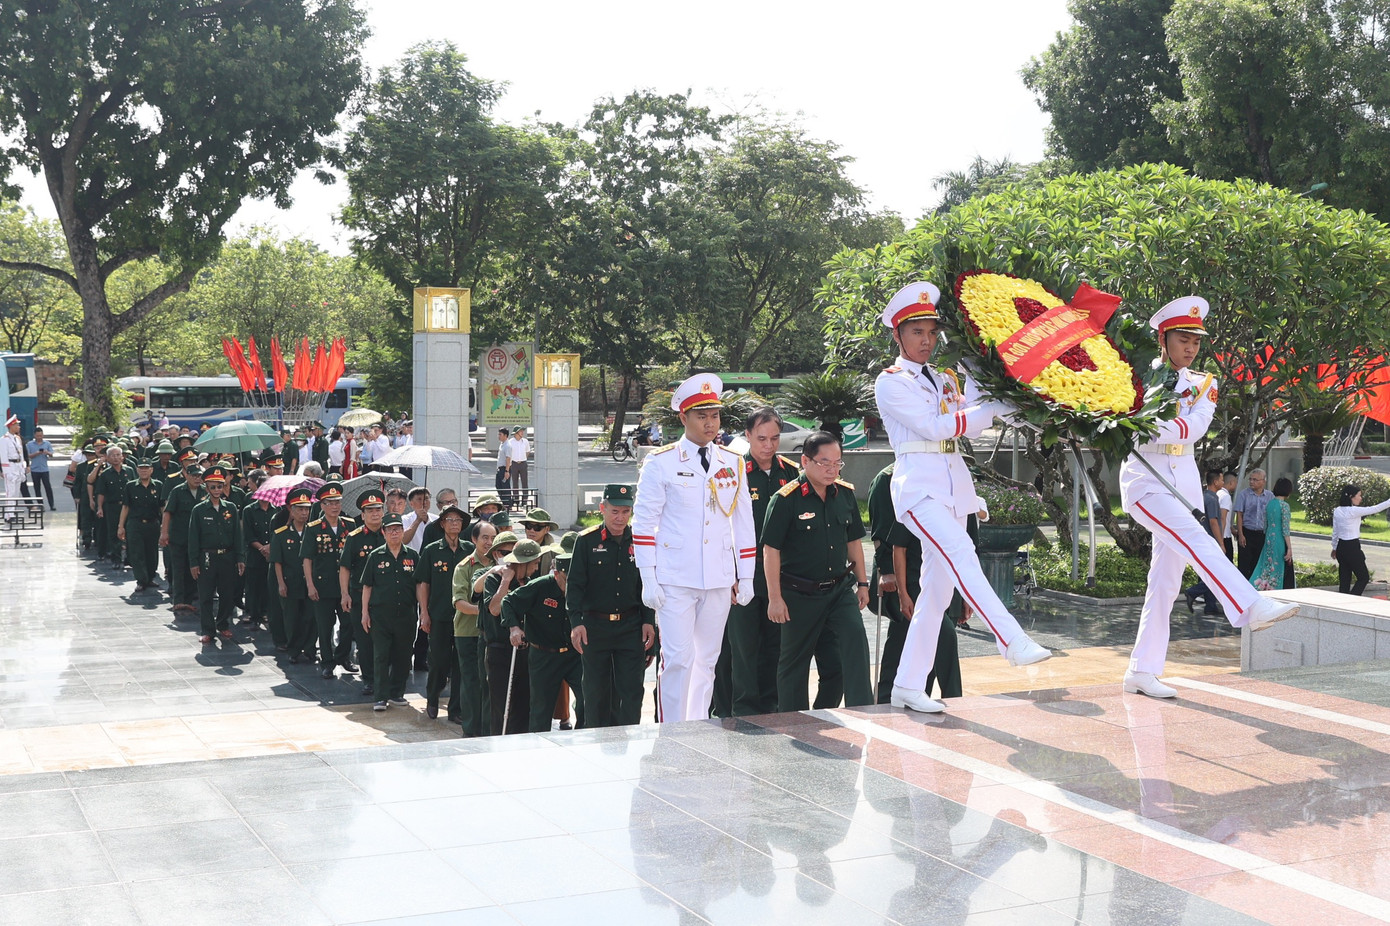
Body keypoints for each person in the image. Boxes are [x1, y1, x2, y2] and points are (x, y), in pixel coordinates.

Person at [872, 281, 1050, 714]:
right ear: (897, 335)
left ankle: (907, 685)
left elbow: (976, 414)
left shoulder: (946, 378)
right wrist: (987, 409)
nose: (926, 341)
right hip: (918, 489)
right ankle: (1010, 639)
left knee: (935, 595)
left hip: (952, 489)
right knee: (961, 551)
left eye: (932, 332)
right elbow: (936, 427)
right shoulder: (891, 382)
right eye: (916, 332)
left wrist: (1016, 392)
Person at [1120, 297, 1299, 698]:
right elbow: (1130, 427)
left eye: (1196, 342)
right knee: (1196, 539)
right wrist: (1147, 424)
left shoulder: (1204, 383)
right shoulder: (1132, 377)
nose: (1190, 349)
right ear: (1163, 339)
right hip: (1145, 481)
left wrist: (1145, 423)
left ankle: (1142, 670)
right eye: (1183, 340)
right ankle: (1249, 605)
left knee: (1165, 583)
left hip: (1182, 484)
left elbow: (1195, 428)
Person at [632, 374, 756, 723]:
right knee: (677, 658)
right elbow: (644, 523)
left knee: (707, 660)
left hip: (717, 577)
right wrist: (648, 577)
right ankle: (672, 731)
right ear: (683, 418)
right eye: (702, 416)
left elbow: (743, 523)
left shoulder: (732, 461)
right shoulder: (662, 461)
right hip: (675, 577)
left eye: (714, 415)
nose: (710, 423)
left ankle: (697, 725)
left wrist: (746, 576)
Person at [761, 432, 873, 711]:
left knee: (855, 644)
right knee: (794, 664)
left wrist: (862, 583)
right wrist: (775, 598)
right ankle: (795, 721)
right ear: (805, 461)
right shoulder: (785, 499)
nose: (832, 470)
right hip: (799, 594)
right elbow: (771, 551)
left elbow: (854, 542)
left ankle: (862, 710)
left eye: (837, 463)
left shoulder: (844, 494)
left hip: (839, 590)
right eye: (825, 463)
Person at [715, 408, 802, 716]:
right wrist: (729, 575)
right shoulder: (732, 473)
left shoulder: (792, 474)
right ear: (748, 435)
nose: (769, 445)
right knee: (743, 647)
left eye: (775, 438)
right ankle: (744, 710)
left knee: (776, 645)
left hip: (780, 577)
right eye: (762, 438)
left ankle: (771, 706)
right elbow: (721, 528)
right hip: (744, 574)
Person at [869, 461, 963, 704]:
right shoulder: (888, 478)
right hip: (906, 578)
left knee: (915, 643)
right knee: (937, 638)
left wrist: (964, 594)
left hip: (940, 578)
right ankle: (953, 701)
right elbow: (882, 533)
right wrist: (887, 573)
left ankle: (908, 695)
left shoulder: (948, 476)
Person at [567, 484, 656, 727]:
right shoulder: (587, 541)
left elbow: (646, 584)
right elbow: (575, 586)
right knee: (595, 692)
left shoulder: (639, 541)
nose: (620, 518)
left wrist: (648, 620)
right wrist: (576, 622)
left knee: (632, 691)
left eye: (626, 512)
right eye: (615, 511)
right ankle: (596, 740)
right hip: (595, 627)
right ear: (602, 509)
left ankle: (628, 738)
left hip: (631, 625)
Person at [503, 532, 586, 733]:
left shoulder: (583, 588)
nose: (571, 586)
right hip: (544, 655)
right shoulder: (539, 587)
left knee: (588, 698)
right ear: (556, 574)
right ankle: (538, 744)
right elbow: (509, 602)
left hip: (574, 654)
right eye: (566, 580)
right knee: (541, 709)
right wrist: (514, 627)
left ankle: (583, 735)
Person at [360, 512, 420, 711]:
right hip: (380, 616)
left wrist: (424, 611)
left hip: (406, 615)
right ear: (384, 533)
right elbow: (367, 586)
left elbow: (420, 585)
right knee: (381, 656)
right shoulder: (375, 556)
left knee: (403, 655)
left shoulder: (412, 556)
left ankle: (397, 693)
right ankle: (380, 697)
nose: (395, 533)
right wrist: (364, 613)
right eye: (390, 530)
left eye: (398, 529)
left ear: (403, 531)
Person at [481, 535, 539, 734]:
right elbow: (495, 609)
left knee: (523, 707)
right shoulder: (494, 579)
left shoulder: (530, 582)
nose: (536, 568)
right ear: (523, 563)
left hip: (525, 651)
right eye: (534, 564)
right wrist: (506, 581)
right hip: (500, 652)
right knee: (502, 708)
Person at [417, 503, 469, 721]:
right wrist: (424, 613)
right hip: (439, 615)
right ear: (442, 524)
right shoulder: (431, 550)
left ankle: (456, 709)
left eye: (458, 520)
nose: (454, 524)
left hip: (464, 617)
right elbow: (423, 583)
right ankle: (432, 697)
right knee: (438, 661)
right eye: (450, 520)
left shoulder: (470, 550)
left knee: (460, 664)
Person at [302, 482, 357, 679]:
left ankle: (343, 657)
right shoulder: (313, 528)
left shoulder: (349, 525)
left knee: (348, 623)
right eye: (330, 503)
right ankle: (327, 662)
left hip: (346, 586)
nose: (335, 506)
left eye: (337, 502)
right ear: (322, 505)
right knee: (324, 627)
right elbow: (307, 558)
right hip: (323, 585)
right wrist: (310, 585)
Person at [188, 467, 244, 644]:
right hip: (207, 557)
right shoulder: (199, 510)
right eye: (213, 487)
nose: (217, 490)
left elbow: (237, 535)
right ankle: (207, 630)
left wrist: (240, 558)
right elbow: (193, 538)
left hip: (227, 557)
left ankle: (223, 624)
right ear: (206, 488)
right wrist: (193, 562)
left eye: (220, 486)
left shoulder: (231, 508)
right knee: (206, 596)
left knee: (227, 595)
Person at [451, 519, 496, 736]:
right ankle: (470, 731)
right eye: (485, 538)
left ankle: (487, 730)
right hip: (468, 632)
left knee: (488, 683)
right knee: (470, 682)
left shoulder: (500, 564)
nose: (489, 542)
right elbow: (459, 602)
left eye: (493, 538)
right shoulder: (464, 567)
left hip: (491, 634)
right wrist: (485, 610)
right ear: (474, 539)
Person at [340, 489, 386, 695]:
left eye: (378, 509)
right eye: (370, 510)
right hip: (360, 596)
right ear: (363, 514)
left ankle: (385, 677)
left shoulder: (390, 533)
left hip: (385, 596)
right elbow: (345, 567)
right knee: (365, 640)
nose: (375, 514)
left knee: (385, 639)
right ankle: (369, 679)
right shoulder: (354, 537)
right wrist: (345, 594)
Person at [272, 487, 316, 662]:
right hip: (291, 582)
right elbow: (277, 561)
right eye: (300, 509)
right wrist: (281, 583)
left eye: (307, 509)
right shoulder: (281, 534)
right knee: (292, 618)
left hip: (310, 582)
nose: (304, 513)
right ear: (292, 510)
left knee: (310, 617)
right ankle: (294, 650)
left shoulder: (313, 532)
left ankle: (310, 648)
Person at [161, 460, 206, 613]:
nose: (197, 479)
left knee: (193, 569)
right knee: (178, 569)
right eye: (194, 476)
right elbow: (168, 513)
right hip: (179, 537)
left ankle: (189, 599)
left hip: (198, 540)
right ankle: (179, 600)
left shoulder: (205, 492)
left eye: (199, 476)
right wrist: (164, 532)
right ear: (187, 475)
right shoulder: (177, 491)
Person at [1182, 470, 1229, 616]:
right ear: (1215, 482)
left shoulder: (1203, 496)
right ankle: (1193, 592)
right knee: (1218, 573)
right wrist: (1221, 543)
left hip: (1202, 539)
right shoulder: (1212, 499)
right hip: (1211, 540)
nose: (1223, 482)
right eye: (1221, 480)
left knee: (1209, 572)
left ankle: (1210, 605)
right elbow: (1214, 522)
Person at [1332, 484, 1390, 595]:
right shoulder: (1353, 511)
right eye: (1359, 495)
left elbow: (1335, 531)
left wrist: (1334, 547)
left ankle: (1343, 602)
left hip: (1341, 547)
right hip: (1352, 547)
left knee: (1344, 581)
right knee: (1363, 577)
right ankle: (1352, 598)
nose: (1361, 498)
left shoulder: (1337, 510)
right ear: (1351, 497)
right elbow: (1375, 509)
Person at [118, 458, 164, 592]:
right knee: (137, 553)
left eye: (146, 468)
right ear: (137, 470)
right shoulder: (130, 486)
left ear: (151, 470)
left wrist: (164, 525)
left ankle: (150, 577)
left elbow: (162, 507)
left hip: (153, 523)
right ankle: (141, 580)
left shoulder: (158, 485)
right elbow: (125, 507)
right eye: (141, 468)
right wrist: (121, 526)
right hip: (135, 524)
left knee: (152, 553)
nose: (144, 471)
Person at [241, 471, 276, 635]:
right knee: (253, 587)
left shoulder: (277, 510)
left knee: (269, 587)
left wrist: (270, 547)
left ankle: (267, 613)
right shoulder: (249, 510)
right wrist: (262, 548)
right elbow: (248, 535)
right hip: (255, 555)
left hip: (272, 555)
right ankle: (254, 616)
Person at [94, 445, 135, 568]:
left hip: (128, 506)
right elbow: (101, 492)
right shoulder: (105, 474)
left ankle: (129, 559)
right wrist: (99, 507)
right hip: (112, 507)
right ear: (107, 458)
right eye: (113, 455)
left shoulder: (129, 470)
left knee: (130, 532)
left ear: (122, 457)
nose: (116, 458)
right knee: (113, 533)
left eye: (118, 455)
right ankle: (116, 559)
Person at [1251, 477, 1295, 591]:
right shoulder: (1284, 506)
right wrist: (1289, 548)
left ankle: (1260, 586)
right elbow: (1285, 528)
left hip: (1269, 538)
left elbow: (1265, 524)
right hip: (1279, 540)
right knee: (1277, 565)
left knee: (1265, 565)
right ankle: (1274, 588)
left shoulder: (1270, 504)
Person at [1234, 469, 1271, 579]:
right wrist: (1240, 534)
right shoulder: (1244, 495)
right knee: (1244, 564)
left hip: (1261, 534)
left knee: (1258, 563)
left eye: (1255, 480)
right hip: (1247, 533)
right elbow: (1239, 515)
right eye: (1250, 479)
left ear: (1263, 481)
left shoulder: (1269, 496)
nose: (1251, 482)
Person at [26, 427, 55, 510]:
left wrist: (47, 452)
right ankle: (40, 505)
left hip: (44, 469)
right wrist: (37, 453)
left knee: (48, 487)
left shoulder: (47, 443)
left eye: (41, 435)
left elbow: (51, 454)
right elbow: (28, 456)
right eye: (38, 435)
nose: (39, 437)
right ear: (34, 435)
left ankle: (52, 504)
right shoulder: (30, 444)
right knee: (37, 488)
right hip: (35, 469)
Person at [1, 414, 25, 504]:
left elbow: (21, 455)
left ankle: (13, 511)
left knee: (16, 493)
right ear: (11, 426)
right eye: (17, 425)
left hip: (18, 467)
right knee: (10, 493)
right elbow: (3, 457)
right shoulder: (4, 439)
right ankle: (9, 512)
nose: (19, 427)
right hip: (10, 467)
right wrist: (6, 472)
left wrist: (22, 469)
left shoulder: (18, 439)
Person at [507, 427, 530, 502]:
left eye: (522, 431)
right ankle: (516, 499)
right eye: (520, 431)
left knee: (524, 482)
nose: (522, 433)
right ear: (516, 433)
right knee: (515, 482)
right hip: (514, 463)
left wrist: (523, 458)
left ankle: (525, 499)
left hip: (523, 463)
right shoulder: (510, 442)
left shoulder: (525, 441)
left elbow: (527, 451)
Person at [1220, 472, 1237, 561]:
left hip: (1218, 534)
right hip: (1224, 536)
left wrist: (1231, 528)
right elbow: (1223, 517)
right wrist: (1221, 541)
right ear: (1231, 483)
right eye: (1236, 482)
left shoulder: (1217, 493)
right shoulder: (1226, 496)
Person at [495, 428, 512, 503]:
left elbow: (508, 459)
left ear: (505, 435)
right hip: (500, 469)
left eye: (500, 434)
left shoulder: (507, 445)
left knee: (505, 487)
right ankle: (504, 502)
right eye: (498, 434)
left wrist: (507, 471)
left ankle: (508, 504)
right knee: (498, 485)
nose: (498, 436)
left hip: (505, 469)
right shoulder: (502, 444)